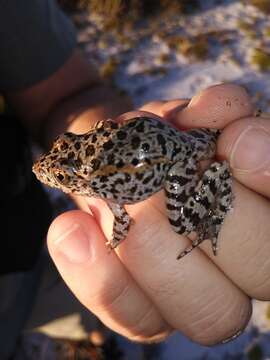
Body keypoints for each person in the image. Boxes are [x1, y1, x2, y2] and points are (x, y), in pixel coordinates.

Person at [2, 0, 270, 358]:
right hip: (171, 144)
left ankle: (92, 330)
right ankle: (93, 331)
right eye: (61, 175)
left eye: (63, 173)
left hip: (174, 158)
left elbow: (123, 221)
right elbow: (122, 217)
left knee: (180, 221)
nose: (48, 171)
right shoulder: (99, 184)